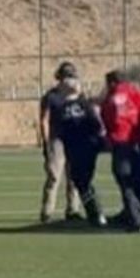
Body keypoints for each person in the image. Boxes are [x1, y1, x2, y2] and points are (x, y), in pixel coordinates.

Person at [100, 69, 140, 233]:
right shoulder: (137, 93)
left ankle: (136, 220)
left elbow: (109, 120)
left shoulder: (111, 98)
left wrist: (110, 139)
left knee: (127, 183)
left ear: (112, 83)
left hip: (122, 145)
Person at [52, 71, 108, 226]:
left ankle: (96, 214)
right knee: (83, 181)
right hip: (87, 147)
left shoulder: (61, 108)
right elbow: (96, 125)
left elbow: (59, 131)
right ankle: (95, 214)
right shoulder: (84, 105)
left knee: (81, 181)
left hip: (76, 149)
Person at [39, 62, 84, 223]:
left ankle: (73, 210)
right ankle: (47, 211)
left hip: (74, 140)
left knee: (74, 177)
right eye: (67, 76)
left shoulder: (78, 95)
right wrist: (46, 142)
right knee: (54, 176)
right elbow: (44, 120)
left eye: (71, 76)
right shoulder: (51, 96)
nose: (69, 80)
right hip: (56, 140)